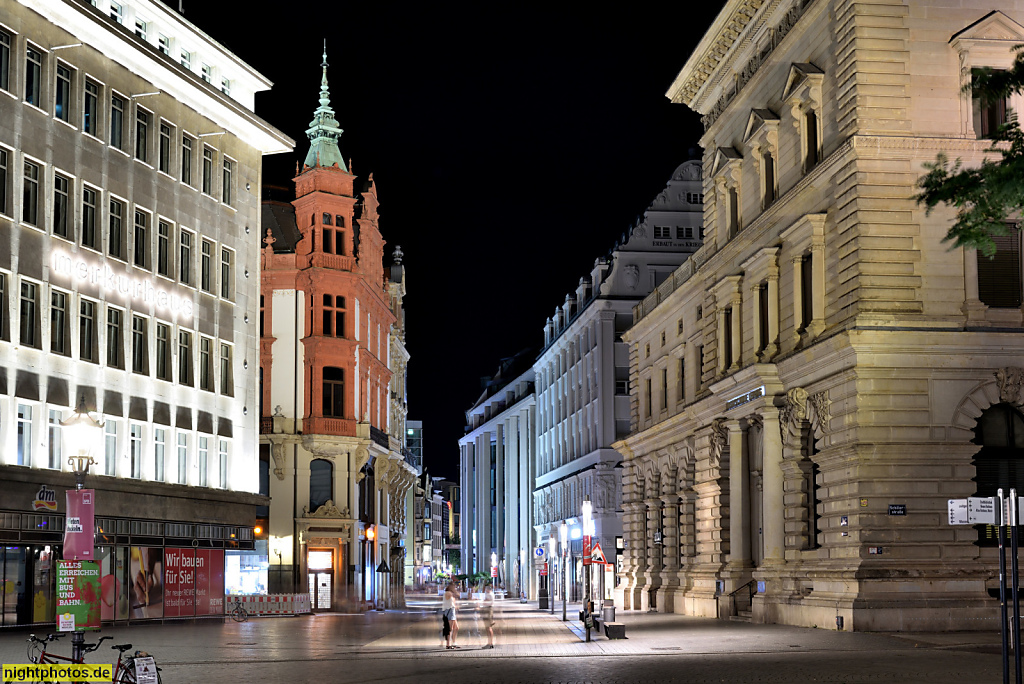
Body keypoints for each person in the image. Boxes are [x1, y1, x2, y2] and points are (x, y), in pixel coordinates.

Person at [442, 581, 460, 649]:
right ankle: (448, 644)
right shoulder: (448, 593)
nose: (455, 588)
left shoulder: (450, 594)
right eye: (454, 587)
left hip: (452, 611)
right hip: (449, 611)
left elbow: (453, 601)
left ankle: (454, 642)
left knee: (456, 628)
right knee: (450, 628)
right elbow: (456, 595)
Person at [481, 584, 495, 648]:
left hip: (488, 610)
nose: (485, 590)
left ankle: (490, 643)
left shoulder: (490, 595)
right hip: (487, 610)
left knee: (488, 627)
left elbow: (487, 602)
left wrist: (485, 601)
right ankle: (489, 642)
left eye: (486, 589)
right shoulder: (488, 594)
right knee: (487, 627)